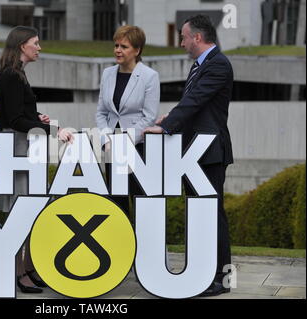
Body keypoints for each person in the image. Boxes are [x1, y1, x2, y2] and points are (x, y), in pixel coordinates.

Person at [143, 15, 234, 297]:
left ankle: (222, 278)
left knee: (212, 215)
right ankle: (204, 272)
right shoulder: (200, 65)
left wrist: (167, 126)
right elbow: (193, 105)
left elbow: (196, 101)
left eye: (183, 37)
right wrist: (172, 117)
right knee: (200, 216)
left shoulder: (217, 64)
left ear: (197, 37)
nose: (181, 43)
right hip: (194, 152)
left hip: (209, 153)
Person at [0, 26, 73, 294]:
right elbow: (14, 120)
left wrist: (37, 118)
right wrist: (53, 130)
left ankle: (26, 268)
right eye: (35, 43)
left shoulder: (15, 74)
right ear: (21, 46)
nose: (39, 48)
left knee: (29, 209)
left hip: (22, 145)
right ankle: (19, 273)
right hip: (17, 148)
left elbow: (19, 113)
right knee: (21, 212)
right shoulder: (11, 76)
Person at [96, 25, 160, 223]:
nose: (117, 50)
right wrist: (107, 139)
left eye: (123, 46)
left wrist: (124, 142)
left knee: (139, 200)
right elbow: (101, 113)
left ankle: (143, 249)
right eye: (116, 45)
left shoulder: (149, 76)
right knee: (116, 202)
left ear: (137, 50)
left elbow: (149, 117)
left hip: (137, 148)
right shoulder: (107, 73)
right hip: (111, 149)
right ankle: (121, 249)